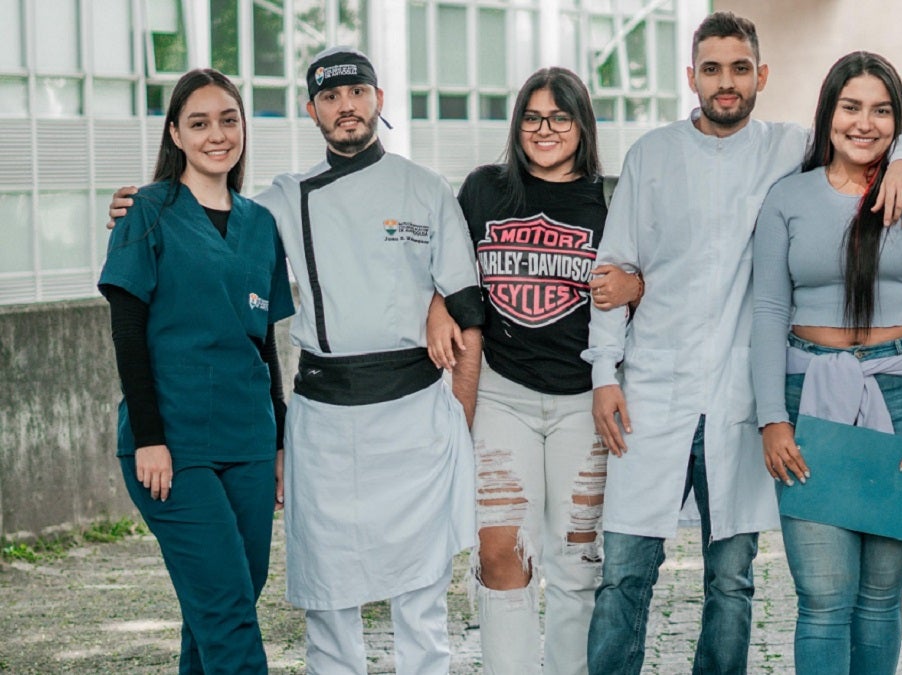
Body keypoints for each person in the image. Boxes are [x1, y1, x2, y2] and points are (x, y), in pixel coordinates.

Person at [109, 47, 486, 674]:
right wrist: (134, 209)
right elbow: (202, 220)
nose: (346, 107)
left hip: (413, 411)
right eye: (331, 97)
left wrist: (441, 318)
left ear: (378, 100)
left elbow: (467, 310)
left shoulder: (426, 188)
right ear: (311, 110)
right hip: (325, 415)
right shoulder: (280, 201)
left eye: (357, 93)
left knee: (421, 591)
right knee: (325, 594)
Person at [582, 12, 902, 674]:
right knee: (624, 571)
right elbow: (611, 271)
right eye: (711, 68)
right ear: (691, 76)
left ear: (761, 76)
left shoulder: (791, 148)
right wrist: (604, 372)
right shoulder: (649, 156)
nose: (726, 82)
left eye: (740, 68)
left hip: (742, 399)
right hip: (650, 393)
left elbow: (882, 131)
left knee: (732, 578)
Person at [750, 51, 902, 674]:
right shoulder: (788, 197)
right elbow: (768, 309)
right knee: (822, 596)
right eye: (851, 107)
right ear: (828, 114)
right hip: (810, 399)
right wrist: (773, 416)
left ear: (898, 121)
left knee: (880, 598)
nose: (864, 123)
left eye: (881, 110)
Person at [427, 67, 640, 675]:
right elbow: (440, 267)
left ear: (582, 125)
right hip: (502, 391)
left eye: (560, 117)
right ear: (517, 123)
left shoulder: (611, 199)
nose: (544, 130)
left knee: (576, 560)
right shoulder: (483, 189)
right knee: (501, 553)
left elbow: (656, 280)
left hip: (584, 400)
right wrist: (435, 308)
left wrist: (639, 284)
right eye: (532, 117)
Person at [99, 68, 295, 674]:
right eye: (200, 122)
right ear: (176, 135)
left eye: (229, 119)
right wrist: (151, 439)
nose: (217, 134)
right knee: (229, 608)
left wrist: (281, 442)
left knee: (221, 602)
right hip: (175, 445)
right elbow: (128, 333)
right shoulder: (148, 212)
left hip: (250, 441)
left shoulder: (261, 225)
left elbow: (264, 346)